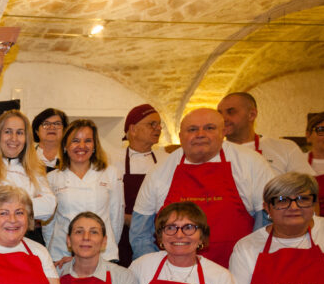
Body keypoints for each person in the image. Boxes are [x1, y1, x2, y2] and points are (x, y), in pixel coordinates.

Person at [130, 108, 274, 266]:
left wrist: (254, 267)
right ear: (180, 136)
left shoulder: (251, 163)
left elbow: (266, 226)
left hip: (237, 269)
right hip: (175, 274)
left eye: (209, 128)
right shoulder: (160, 170)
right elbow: (140, 234)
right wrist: (153, 269)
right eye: (192, 129)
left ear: (223, 131)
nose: (200, 134)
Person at [43, 119, 123, 263]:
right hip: (62, 255)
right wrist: (52, 251)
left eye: (87, 140)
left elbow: (116, 217)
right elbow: (48, 223)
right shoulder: (52, 178)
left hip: (103, 256)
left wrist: (107, 245)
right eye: (75, 141)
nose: (82, 146)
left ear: (94, 146)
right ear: (65, 146)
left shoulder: (111, 173)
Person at [0, 109, 55, 245]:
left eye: (19, 133)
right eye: (7, 131)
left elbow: (49, 207)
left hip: (29, 241)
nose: (13, 138)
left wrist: (0, 208)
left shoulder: (35, 170)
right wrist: (28, 205)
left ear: (26, 138)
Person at [218, 92, 312, 176]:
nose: (223, 119)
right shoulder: (211, 152)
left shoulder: (286, 148)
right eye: (219, 113)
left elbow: (307, 186)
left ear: (252, 115)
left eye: (231, 112)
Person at [118, 103, 162, 265]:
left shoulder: (166, 159)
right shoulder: (112, 161)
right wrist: (127, 219)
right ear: (133, 129)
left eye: (159, 124)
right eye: (152, 124)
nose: (158, 128)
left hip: (159, 234)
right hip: (123, 234)